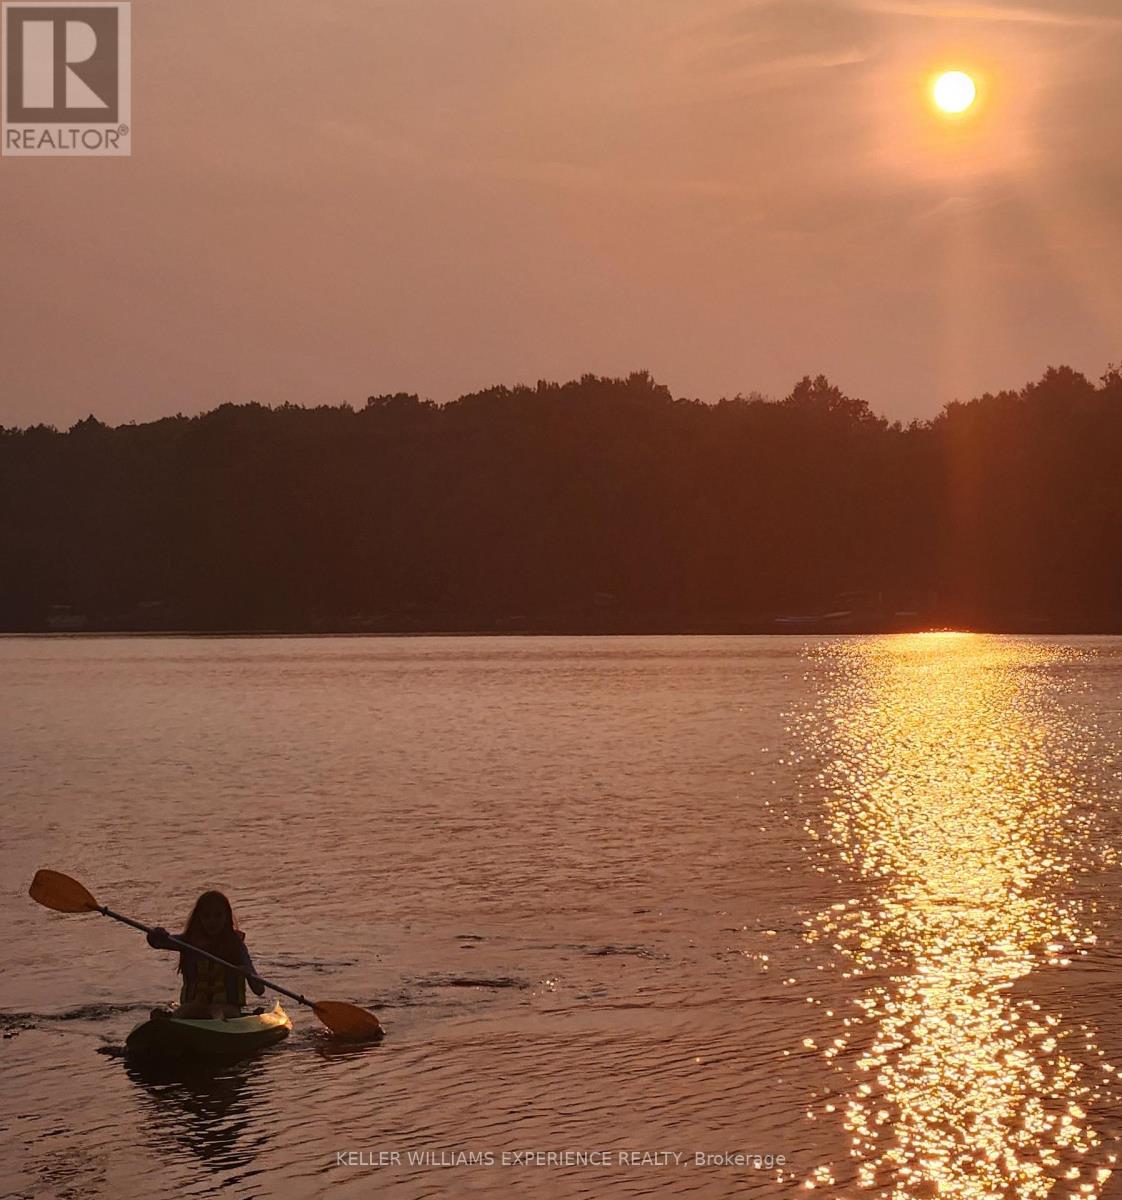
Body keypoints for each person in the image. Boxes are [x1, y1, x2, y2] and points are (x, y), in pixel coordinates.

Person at [147, 890, 266, 1019]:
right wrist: (155, 934)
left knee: (216, 1010)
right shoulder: (188, 943)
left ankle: (220, 1026)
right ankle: (173, 1021)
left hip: (228, 1009)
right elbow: (157, 943)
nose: (212, 921)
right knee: (191, 1008)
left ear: (227, 917)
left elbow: (259, 990)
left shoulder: (236, 946)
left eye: (218, 915)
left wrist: (247, 973)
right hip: (196, 1007)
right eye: (207, 916)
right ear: (199, 918)